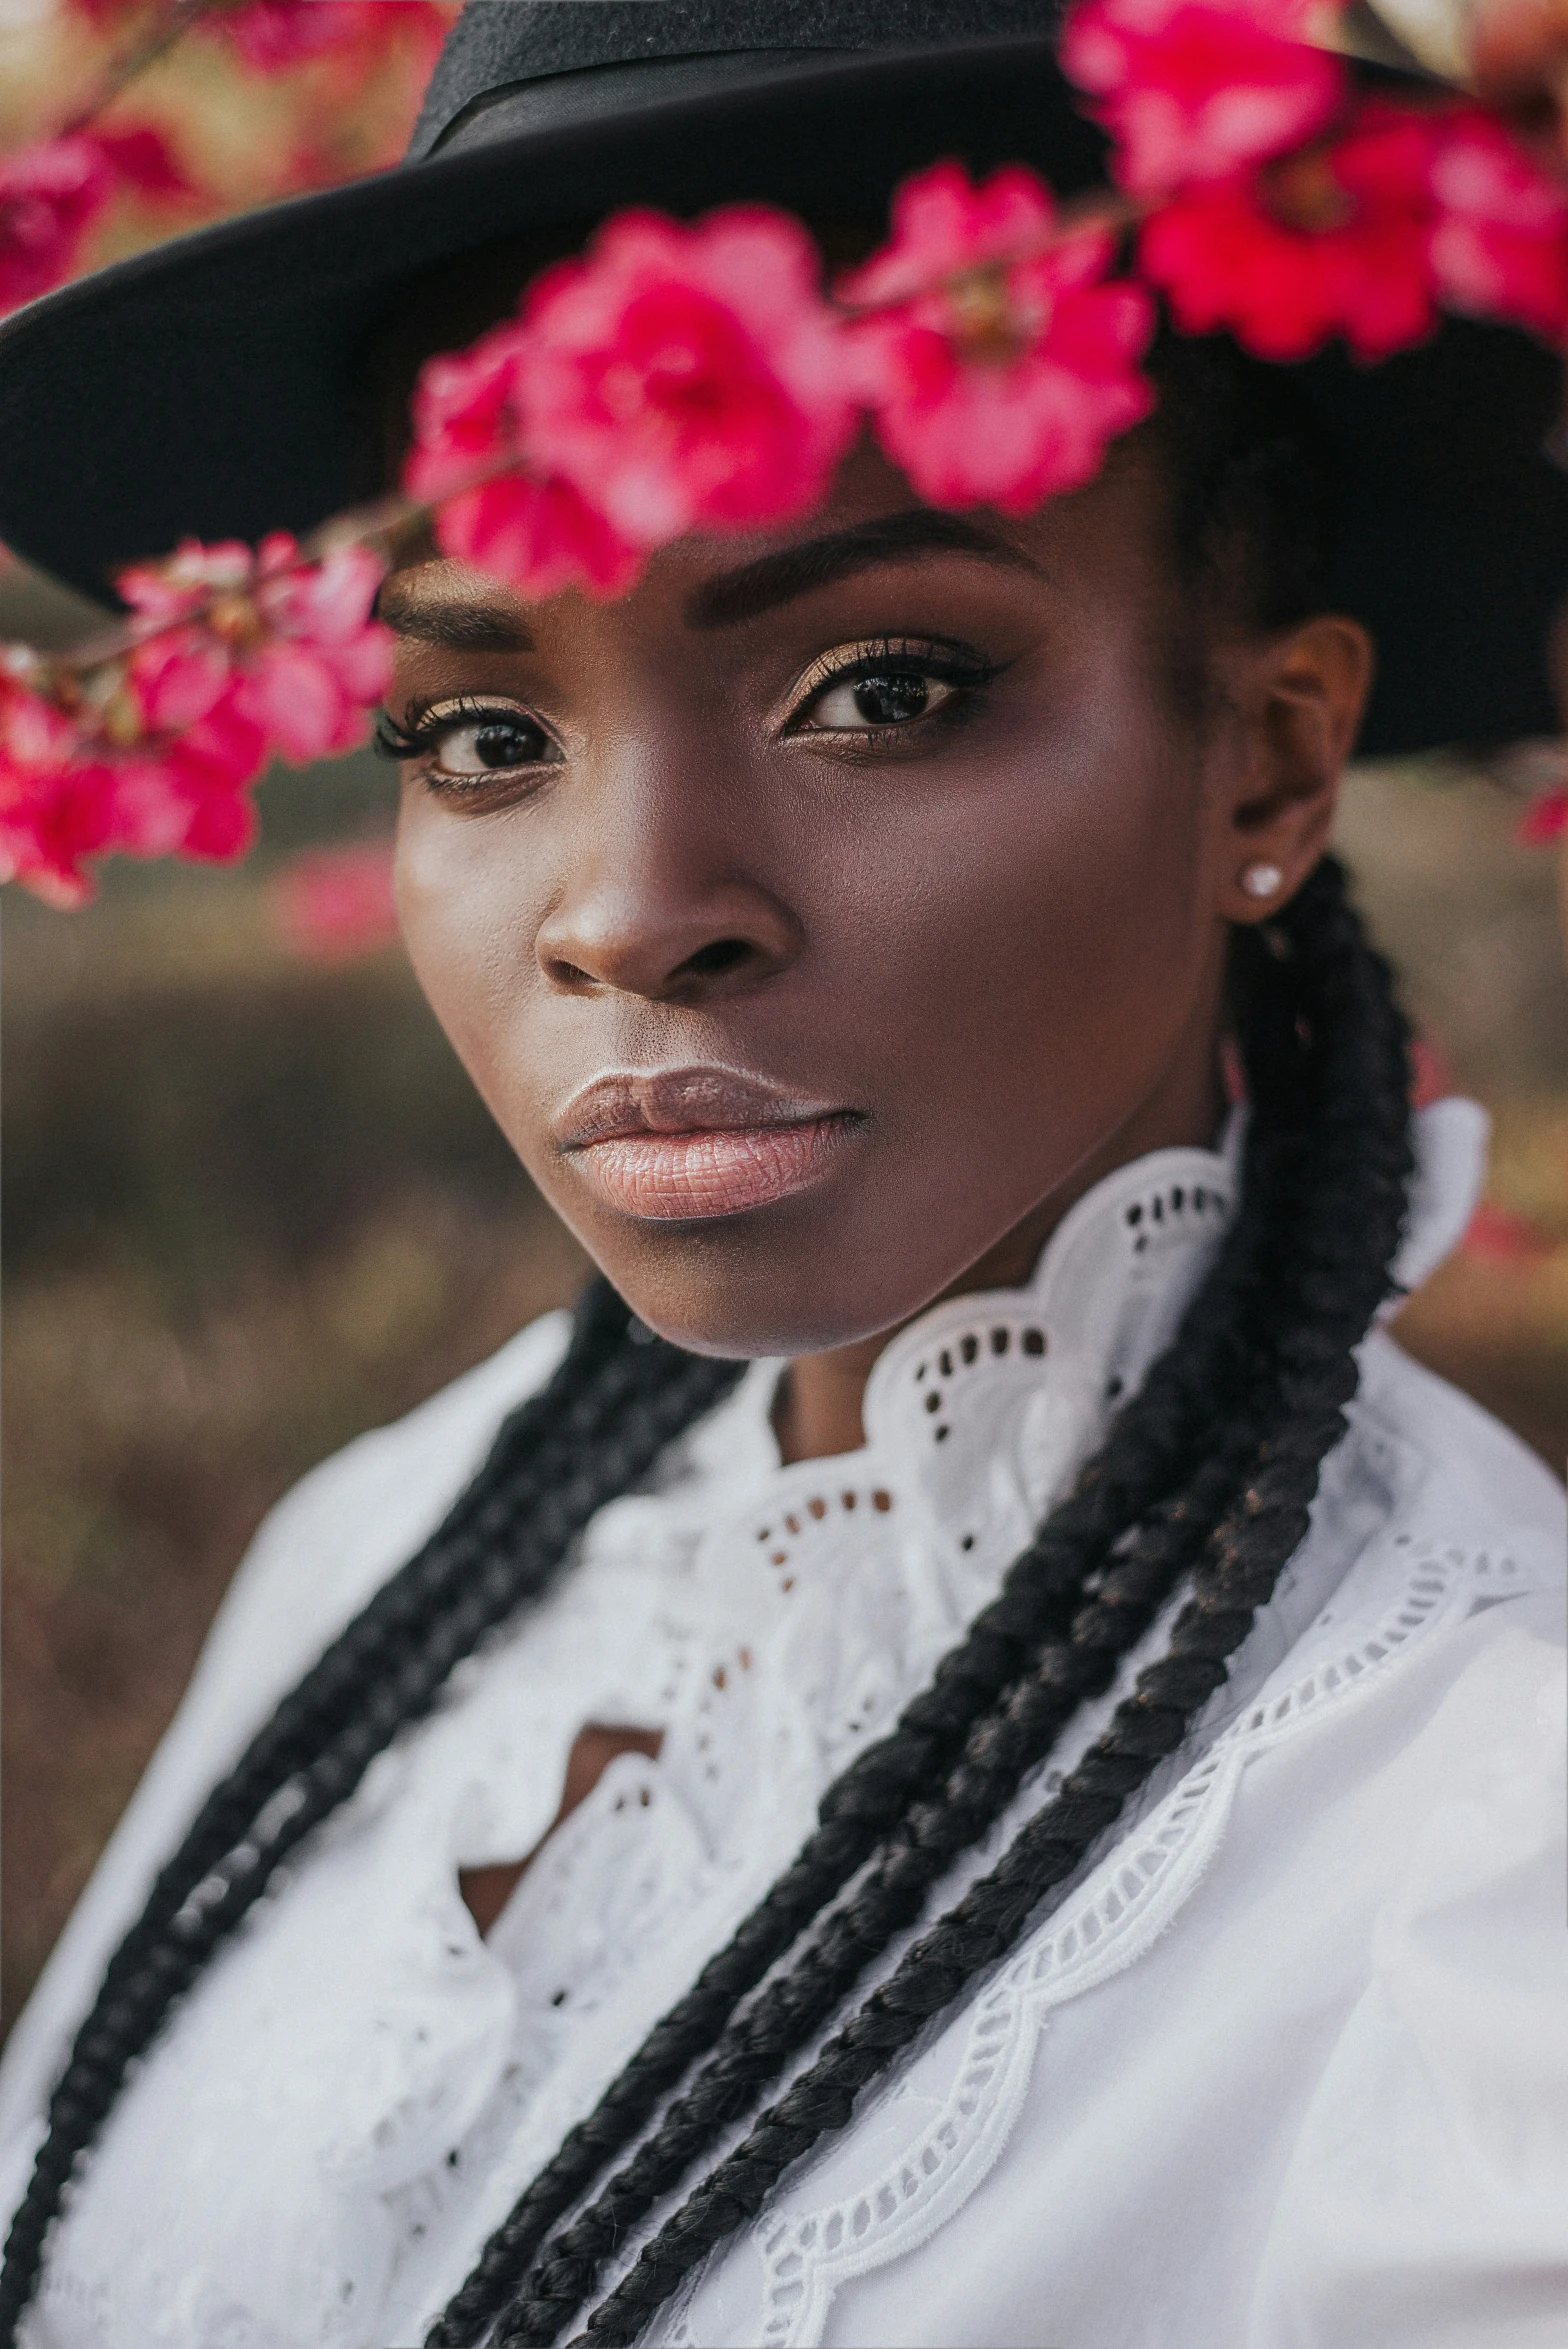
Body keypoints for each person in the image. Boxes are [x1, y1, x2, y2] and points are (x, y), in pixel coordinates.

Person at [0, 6, 1563, 2346]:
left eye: (884, 687)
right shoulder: (382, 1551)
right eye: (484, 732)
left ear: (1264, 760)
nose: (627, 909)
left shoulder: (1486, 1853)